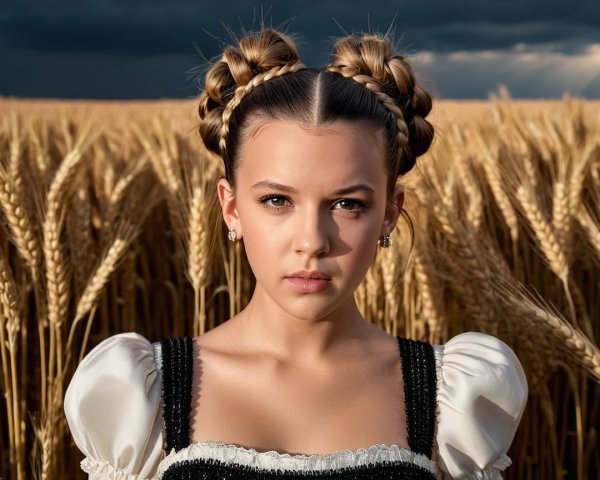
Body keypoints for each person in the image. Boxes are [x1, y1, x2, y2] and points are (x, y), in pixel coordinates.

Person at [64, 27, 528, 479]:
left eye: (348, 204)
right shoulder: (148, 397)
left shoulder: (448, 399)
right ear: (231, 208)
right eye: (276, 200)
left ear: (389, 213)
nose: (312, 240)